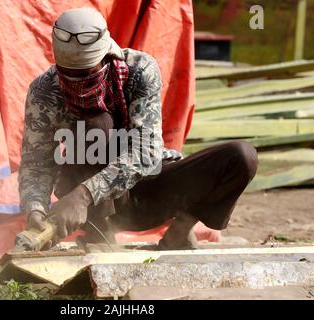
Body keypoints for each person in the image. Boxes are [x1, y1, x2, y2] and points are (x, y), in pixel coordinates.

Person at [19, 7, 258, 250]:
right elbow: (36, 164)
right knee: (95, 126)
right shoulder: (44, 91)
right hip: (102, 207)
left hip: (152, 191)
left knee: (241, 157)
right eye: (69, 74)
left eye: (87, 73)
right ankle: (100, 236)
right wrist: (35, 210)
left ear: (105, 57)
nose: (78, 82)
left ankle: (180, 231)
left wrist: (83, 195)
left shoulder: (139, 70)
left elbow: (146, 153)